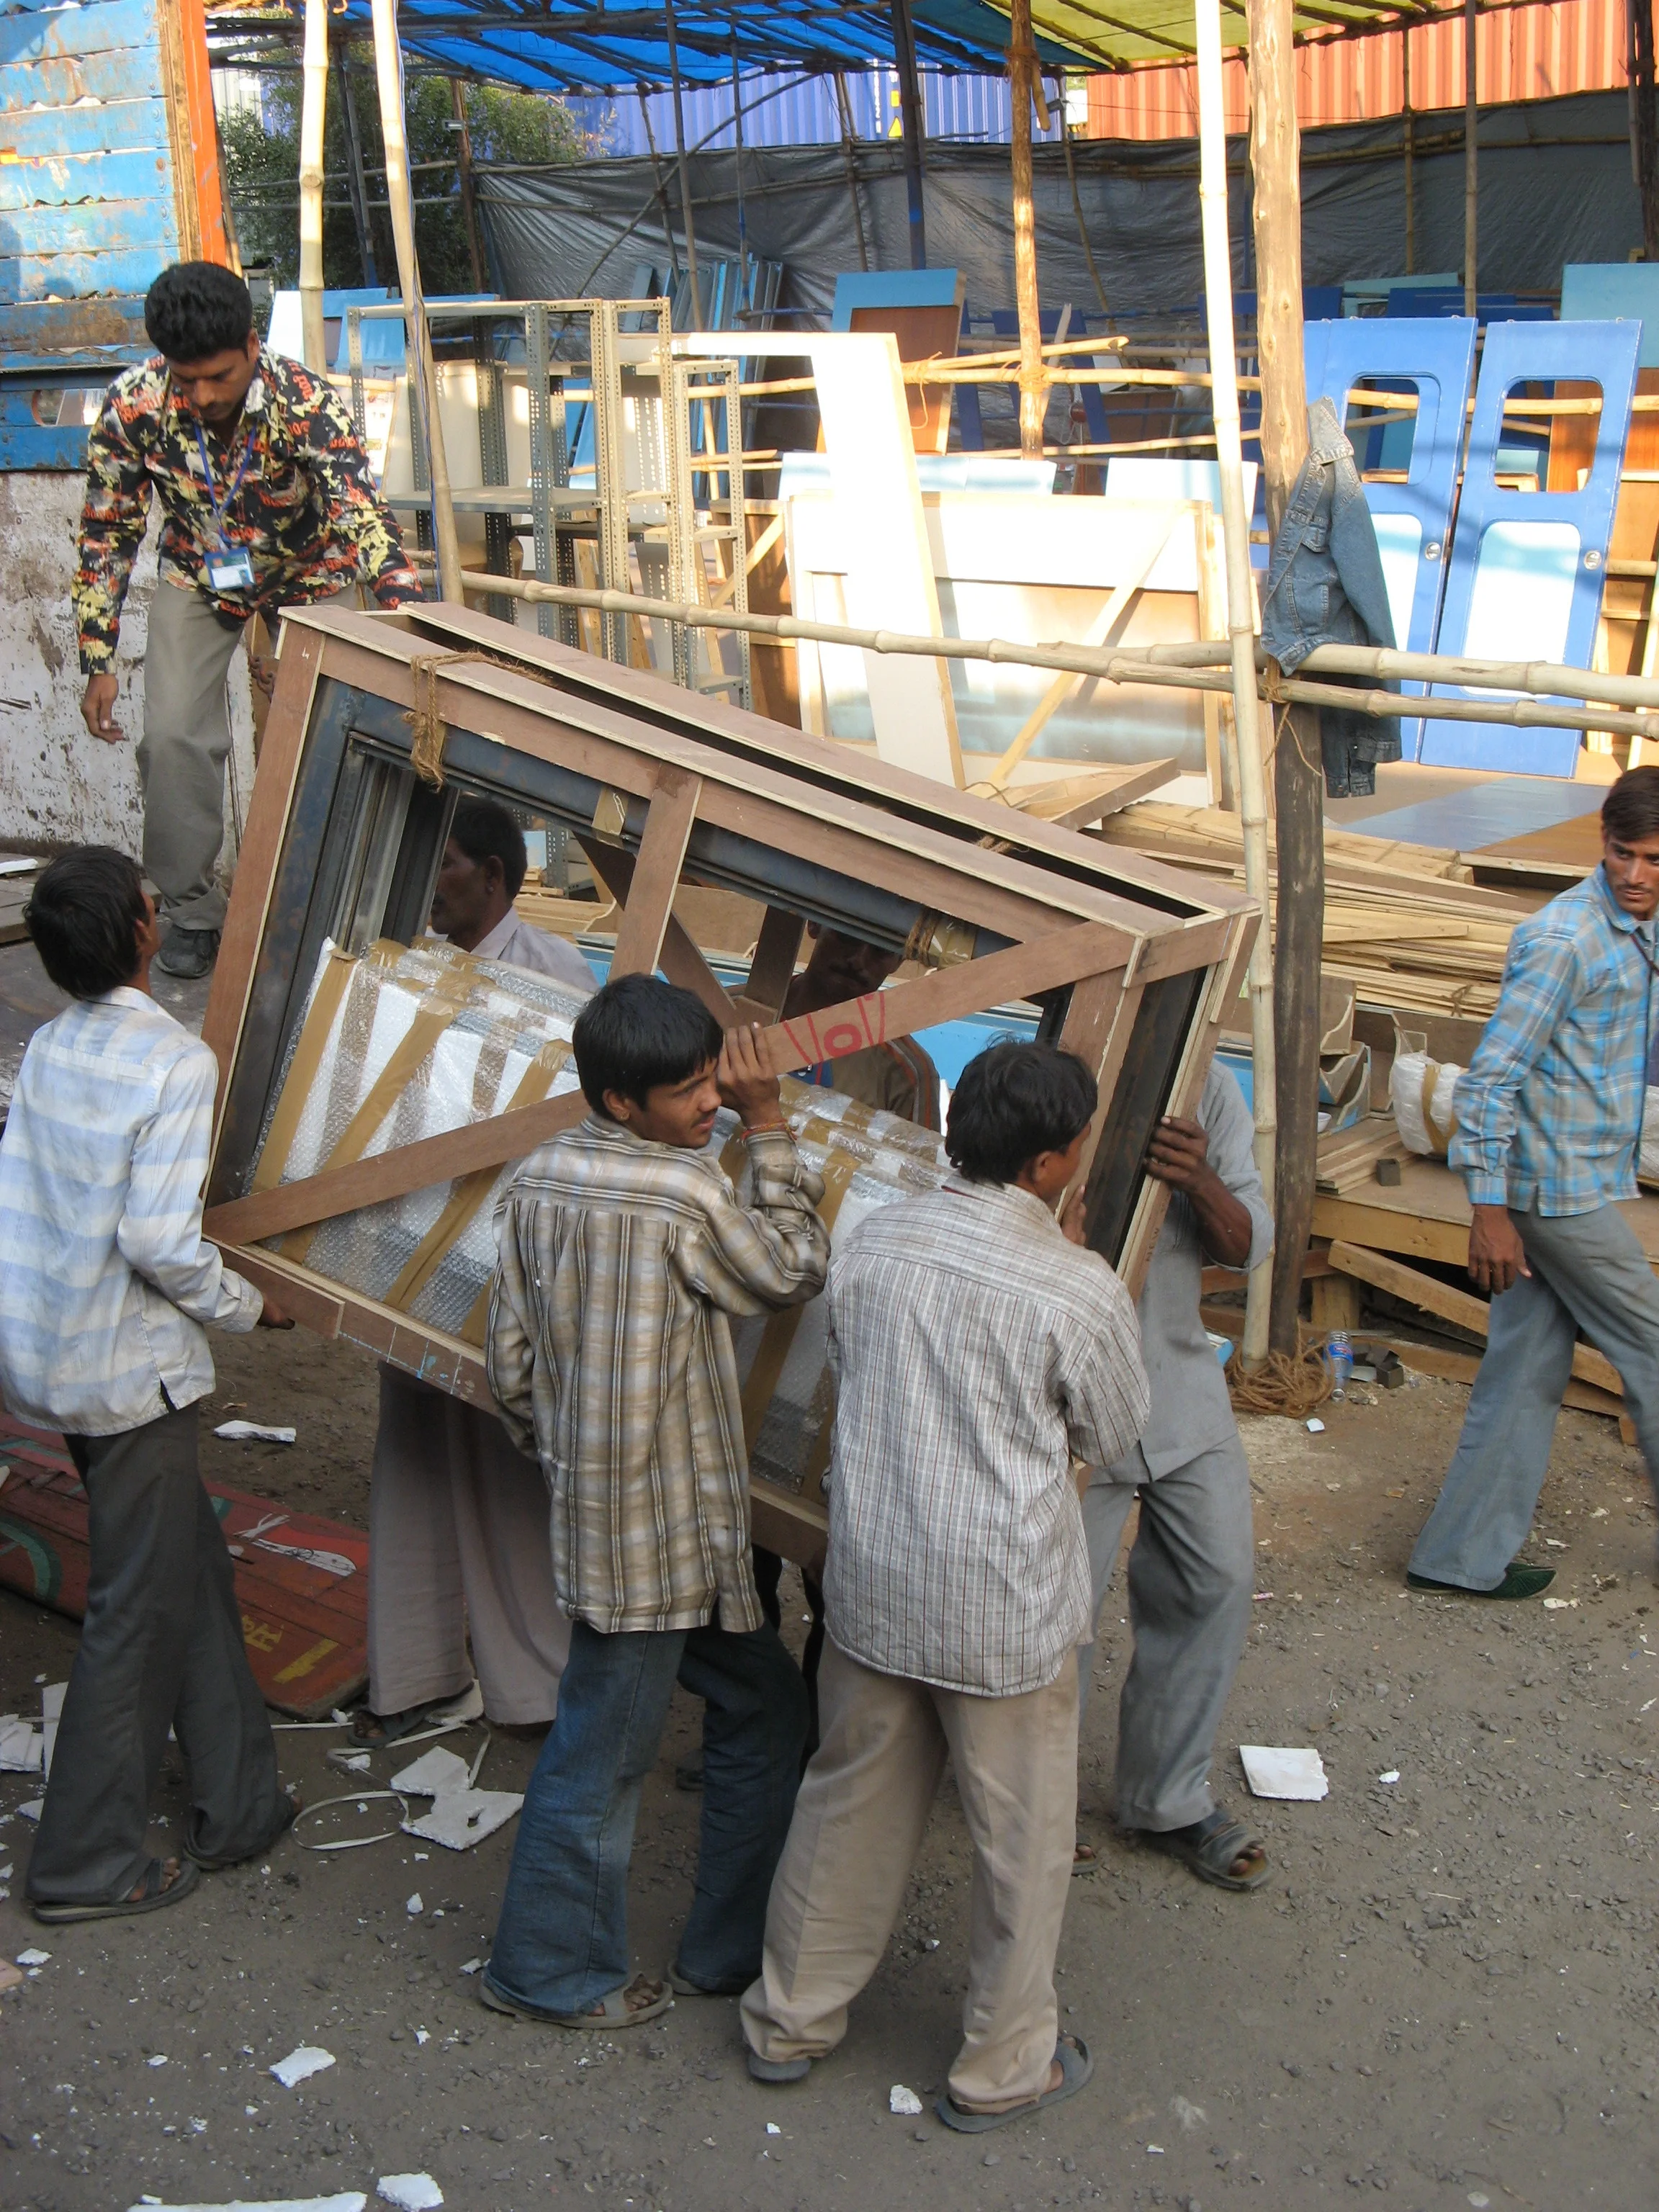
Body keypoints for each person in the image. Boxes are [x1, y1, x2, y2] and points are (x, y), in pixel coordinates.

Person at [741, 1043, 1148, 2132]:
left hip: (875, 1584)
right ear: (1058, 1163)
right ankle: (1003, 2065)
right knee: (1019, 1845)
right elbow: (1113, 1432)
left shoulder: (874, 1238)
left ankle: (790, 2018)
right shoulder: (1076, 1283)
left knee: (846, 1805)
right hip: (1003, 1611)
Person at [480, 974, 830, 2028]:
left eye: (714, 1086)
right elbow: (793, 1269)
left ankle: (724, 1953)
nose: (710, 1107)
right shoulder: (682, 1193)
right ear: (622, 1102)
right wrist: (770, 1129)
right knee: (603, 1758)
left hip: (633, 1535)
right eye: (689, 1095)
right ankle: (546, 1971)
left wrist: (575, 1453)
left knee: (762, 1705)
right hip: (657, 1546)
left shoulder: (538, 1177)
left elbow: (507, 1359)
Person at [0, 848, 297, 1923]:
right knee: (136, 1609)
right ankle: (84, 1863)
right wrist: (250, 1306)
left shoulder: (49, 1046)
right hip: (126, 1379)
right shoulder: (173, 1062)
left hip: (50, 1355)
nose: (161, 908)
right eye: (150, 902)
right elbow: (161, 1244)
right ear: (136, 935)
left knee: (182, 1571)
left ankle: (242, 1801)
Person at [74, 259, 421, 981]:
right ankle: (195, 909)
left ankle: (337, 904)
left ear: (253, 346)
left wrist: (409, 616)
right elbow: (108, 532)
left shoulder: (305, 403)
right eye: (185, 378)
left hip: (309, 573)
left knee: (345, 732)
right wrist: (96, 657)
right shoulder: (133, 407)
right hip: (200, 572)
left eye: (219, 378)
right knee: (170, 738)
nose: (201, 396)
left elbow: (362, 513)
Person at [355, 798, 595, 1745]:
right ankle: (411, 1676)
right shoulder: (415, 961)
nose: (433, 883)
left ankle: (532, 1685)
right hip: (409, 1240)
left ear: (493, 877)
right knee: (412, 1451)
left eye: (447, 864)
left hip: (507, 1253)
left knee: (505, 1465)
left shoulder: (557, 975)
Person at [1408, 765, 1659, 1600]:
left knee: (1523, 1371)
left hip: (1572, 1180)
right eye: (1623, 855)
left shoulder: (1636, 927)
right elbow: (1486, 1084)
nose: (1636, 875)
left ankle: (1459, 1556)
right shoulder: (1566, 942)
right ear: (1604, 844)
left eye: (1655, 859)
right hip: (1553, 1195)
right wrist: (1489, 1213)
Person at [1074, 1064, 1275, 1891]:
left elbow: (1250, 1242)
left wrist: (1199, 1179)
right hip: (1071, 1394)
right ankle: (1031, 1805)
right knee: (1058, 1618)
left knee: (1217, 1579)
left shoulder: (1208, 1089)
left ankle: (1167, 1800)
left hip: (1178, 1385)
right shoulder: (1064, 1057)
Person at [429, 796, 596, 994]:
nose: (428, 878)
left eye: (443, 865)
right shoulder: (424, 953)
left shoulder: (555, 972)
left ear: (491, 874)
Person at [781, 925, 942, 1130]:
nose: (857, 960)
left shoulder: (906, 1072)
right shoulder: (735, 1019)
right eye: (848, 935)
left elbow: (918, 1160)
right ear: (814, 925)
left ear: (900, 959)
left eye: (882, 949)